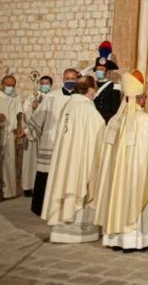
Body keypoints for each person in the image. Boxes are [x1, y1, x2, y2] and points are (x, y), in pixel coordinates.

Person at [94, 70, 148, 252]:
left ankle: (115, 240)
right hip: (137, 176)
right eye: (144, 97)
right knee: (135, 198)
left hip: (115, 179)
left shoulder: (114, 121)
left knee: (116, 198)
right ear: (140, 99)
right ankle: (134, 242)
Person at [41, 75, 105, 243]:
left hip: (65, 160)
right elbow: (99, 138)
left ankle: (59, 231)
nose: (95, 92)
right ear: (90, 90)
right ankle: (77, 233)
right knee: (76, 186)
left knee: (63, 182)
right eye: (95, 89)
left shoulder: (68, 106)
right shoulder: (88, 110)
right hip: (79, 162)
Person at [21, 68, 78, 216]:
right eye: (68, 78)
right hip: (51, 141)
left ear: (77, 79)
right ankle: (41, 208)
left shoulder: (81, 98)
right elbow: (39, 116)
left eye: (73, 78)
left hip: (71, 143)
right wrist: (27, 131)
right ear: (63, 79)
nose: (70, 80)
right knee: (46, 175)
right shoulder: (52, 97)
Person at [21, 75, 52, 196]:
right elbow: (26, 114)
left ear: (51, 84)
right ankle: (28, 186)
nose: (44, 85)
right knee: (30, 161)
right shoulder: (31, 97)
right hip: (33, 133)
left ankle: (43, 187)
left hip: (46, 134)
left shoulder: (52, 98)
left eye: (47, 83)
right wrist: (32, 109)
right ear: (39, 84)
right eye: (42, 83)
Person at [93, 41, 121, 123]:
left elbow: (116, 108)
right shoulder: (91, 84)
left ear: (106, 71)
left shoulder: (114, 86)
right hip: (92, 120)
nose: (99, 71)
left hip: (106, 121)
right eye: (97, 69)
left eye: (101, 69)